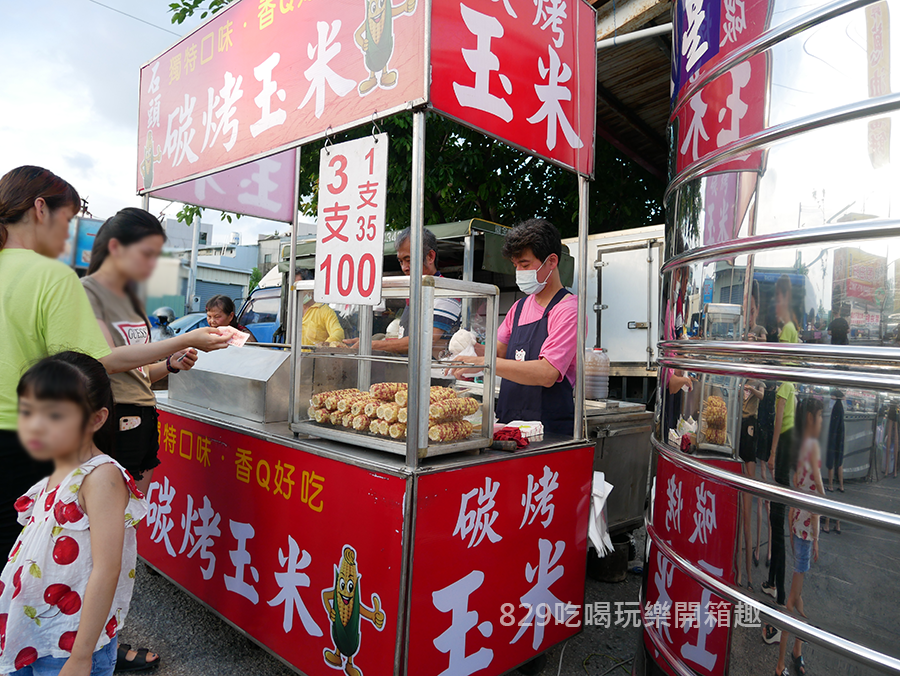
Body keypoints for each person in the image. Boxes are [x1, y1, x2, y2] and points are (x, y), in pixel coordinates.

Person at [84, 208, 232, 672]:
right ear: (115, 248)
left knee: (120, 546)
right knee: (98, 548)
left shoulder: (131, 303)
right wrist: (181, 341)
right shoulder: (86, 296)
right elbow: (101, 363)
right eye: (147, 253)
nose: (153, 265)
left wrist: (169, 366)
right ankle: (89, 649)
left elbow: (136, 371)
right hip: (111, 427)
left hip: (141, 426)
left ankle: (107, 639)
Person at [0, 352, 147, 676]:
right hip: (34, 631)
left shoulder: (101, 477)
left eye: (54, 415)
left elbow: (107, 569)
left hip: (69, 645)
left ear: (96, 419)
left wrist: (81, 656)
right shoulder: (60, 467)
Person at [452, 219, 578, 436]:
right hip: (510, 427)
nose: (519, 271)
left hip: (549, 432)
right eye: (516, 265)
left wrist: (483, 361)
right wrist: (466, 355)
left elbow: (547, 373)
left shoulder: (567, 309)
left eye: (525, 264)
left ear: (552, 261)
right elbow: (497, 354)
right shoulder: (518, 308)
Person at [345, 227, 461, 355]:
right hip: (408, 371)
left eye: (409, 260)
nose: (404, 268)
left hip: (435, 374)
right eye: (401, 261)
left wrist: (372, 344)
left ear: (430, 257)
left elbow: (424, 342)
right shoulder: (415, 293)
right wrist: (367, 342)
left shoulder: (444, 294)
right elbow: (406, 338)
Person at [776, 398, 825, 676]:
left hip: (797, 525)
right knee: (792, 599)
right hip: (806, 530)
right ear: (810, 418)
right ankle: (781, 663)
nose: (821, 422)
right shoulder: (813, 447)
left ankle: (797, 650)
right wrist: (818, 536)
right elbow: (818, 492)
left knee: (799, 592)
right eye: (819, 417)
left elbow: (800, 486)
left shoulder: (801, 446)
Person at [294, 272, 345, 346]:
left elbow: (338, 332)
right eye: (295, 288)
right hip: (296, 356)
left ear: (309, 288)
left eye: (300, 287)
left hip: (315, 356)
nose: (297, 292)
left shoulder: (324, 311)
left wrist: (326, 343)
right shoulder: (294, 310)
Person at [823, 389, 845, 534]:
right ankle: (841, 485)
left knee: (831, 461)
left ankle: (830, 485)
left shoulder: (835, 406)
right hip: (841, 437)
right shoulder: (841, 406)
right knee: (840, 462)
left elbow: (833, 426)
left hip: (834, 437)